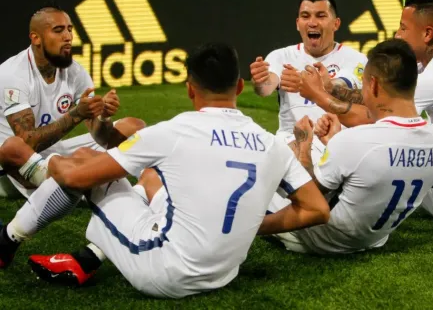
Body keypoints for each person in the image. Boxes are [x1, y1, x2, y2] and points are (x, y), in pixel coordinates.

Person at [0, 42, 330, 298]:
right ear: (240, 87)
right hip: (225, 273)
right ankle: (88, 257)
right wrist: (252, 225)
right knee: (153, 178)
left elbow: (74, 178)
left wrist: (46, 165)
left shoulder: (175, 130)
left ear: (189, 88)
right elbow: (317, 210)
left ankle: (7, 239)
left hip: (164, 271)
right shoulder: (270, 142)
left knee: (86, 162)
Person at [299, 0, 433, 224]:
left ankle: (332, 199)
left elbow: (374, 115)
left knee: (389, 140)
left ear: (427, 34)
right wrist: (332, 88)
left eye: (403, 27)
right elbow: (375, 95)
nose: (398, 35)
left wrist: (318, 96)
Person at [268, 39, 433, 254]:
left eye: (363, 85)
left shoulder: (356, 140)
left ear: (372, 84)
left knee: (257, 170)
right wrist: (333, 143)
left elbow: (309, 202)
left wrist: (303, 147)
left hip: (323, 238)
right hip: (376, 239)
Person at [0, 3, 145, 199]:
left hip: (52, 152)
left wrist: (102, 117)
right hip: (17, 164)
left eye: (69, 29)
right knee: (13, 146)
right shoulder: (13, 74)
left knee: (133, 127)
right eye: (58, 30)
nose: (67, 37)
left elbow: (101, 137)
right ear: (36, 38)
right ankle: (82, 183)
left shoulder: (74, 71)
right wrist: (77, 114)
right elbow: (27, 142)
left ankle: (76, 180)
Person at [249, 0, 367, 157]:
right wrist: (260, 81)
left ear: (336, 23)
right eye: (305, 16)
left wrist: (323, 85)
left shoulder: (355, 59)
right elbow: (265, 88)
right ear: (298, 23)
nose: (312, 23)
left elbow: (343, 85)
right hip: (291, 146)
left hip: (335, 146)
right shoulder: (280, 56)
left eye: (321, 16)